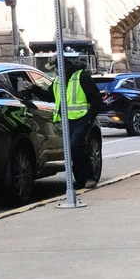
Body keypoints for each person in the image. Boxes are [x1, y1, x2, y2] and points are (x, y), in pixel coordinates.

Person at [49, 56, 103, 189]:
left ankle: (90, 176)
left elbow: (96, 100)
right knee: (72, 149)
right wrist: (32, 88)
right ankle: (80, 180)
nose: (54, 71)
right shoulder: (57, 81)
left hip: (81, 118)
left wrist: (89, 117)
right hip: (67, 120)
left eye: (54, 68)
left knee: (75, 145)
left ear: (61, 67)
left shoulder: (81, 76)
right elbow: (49, 96)